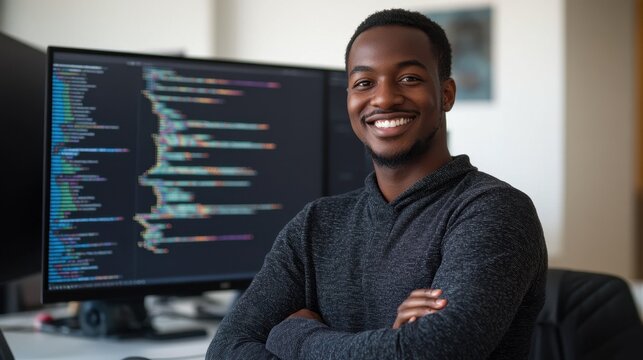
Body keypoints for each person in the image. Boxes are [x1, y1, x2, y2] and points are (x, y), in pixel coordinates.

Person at [206, 8, 547, 359]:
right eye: (364, 83)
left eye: (409, 78)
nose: (383, 99)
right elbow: (226, 349)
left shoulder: (495, 210)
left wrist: (295, 335)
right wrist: (388, 344)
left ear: (446, 94)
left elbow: (432, 352)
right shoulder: (315, 225)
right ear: (350, 100)